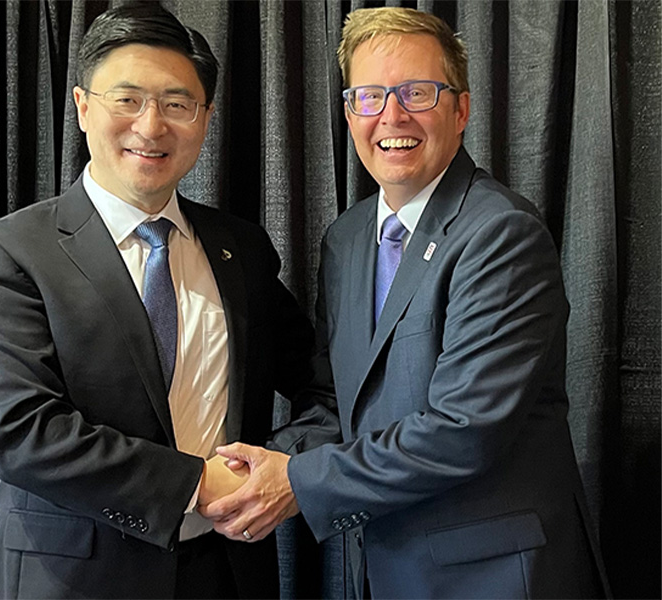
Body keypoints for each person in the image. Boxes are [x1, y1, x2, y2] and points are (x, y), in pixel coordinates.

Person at [201, 7, 609, 599]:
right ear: (349, 113)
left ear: (461, 109)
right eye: (369, 96)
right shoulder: (346, 240)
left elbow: (464, 428)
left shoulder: (501, 233)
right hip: (380, 568)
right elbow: (337, 397)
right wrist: (259, 468)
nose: (392, 116)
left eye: (418, 92)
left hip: (492, 577)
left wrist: (297, 482)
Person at [0, 4, 313, 599]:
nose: (151, 127)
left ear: (206, 118)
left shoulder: (240, 248)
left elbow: (320, 380)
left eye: (177, 104)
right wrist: (198, 484)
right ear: (82, 106)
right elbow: (22, 433)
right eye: (127, 99)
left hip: (226, 574)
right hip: (67, 580)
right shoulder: (6, 253)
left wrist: (285, 471)